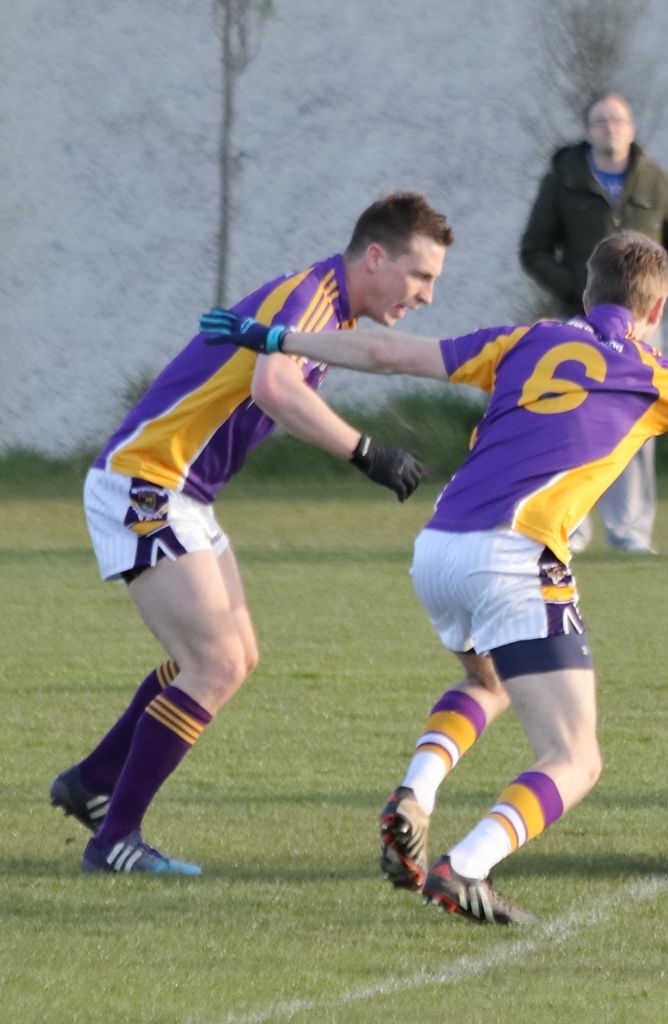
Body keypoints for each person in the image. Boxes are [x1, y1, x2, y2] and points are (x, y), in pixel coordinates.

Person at [200, 231, 668, 923]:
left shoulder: (527, 338)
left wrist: (276, 338)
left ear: (589, 296)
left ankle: (416, 795)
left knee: (486, 683)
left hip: (439, 547)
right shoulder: (656, 372)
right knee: (575, 758)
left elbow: (391, 352)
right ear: (656, 309)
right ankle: (465, 867)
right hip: (515, 557)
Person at [50, 192, 451, 875]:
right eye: (421, 277)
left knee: (233, 655)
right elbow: (275, 387)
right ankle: (114, 838)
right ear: (376, 257)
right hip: (146, 481)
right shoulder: (312, 298)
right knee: (215, 664)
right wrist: (366, 452)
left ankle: (93, 780)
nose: (426, 295)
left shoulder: (328, 302)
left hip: (185, 493)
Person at [520, 90, 668, 554]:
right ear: (587, 130)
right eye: (600, 121)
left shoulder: (656, 181)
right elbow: (534, 249)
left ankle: (631, 532)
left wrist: (658, 289)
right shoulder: (562, 180)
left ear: (632, 128)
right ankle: (570, 527)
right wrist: (574, 291)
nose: (610, 129)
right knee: (572, 420)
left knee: (639, 421)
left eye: (618, 120)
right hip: (581, 322)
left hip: (643, 328)